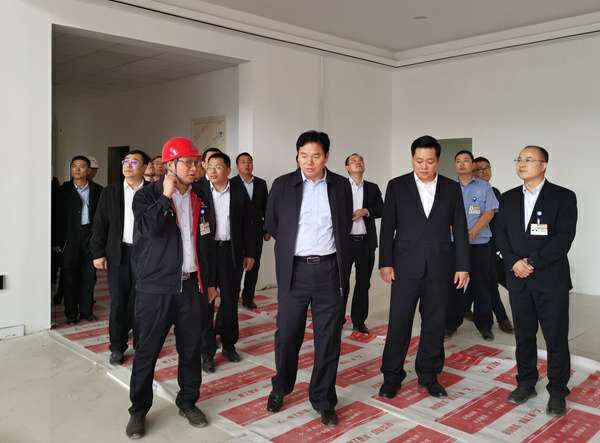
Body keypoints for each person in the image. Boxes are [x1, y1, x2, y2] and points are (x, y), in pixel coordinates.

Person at [126, 137, 217, 438]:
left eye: (196, 162)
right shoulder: (146, 196)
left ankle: (188, 401)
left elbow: (207, 243)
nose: (194, 168)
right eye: (187, 162)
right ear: (169, 165)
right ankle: (138, 410)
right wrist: (165, 197)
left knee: (190, 349)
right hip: (156, 289)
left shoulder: (201, 196)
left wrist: (211, 283)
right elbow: (149, 230)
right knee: (147, 351)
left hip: (191, 287)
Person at [265, 130, 352, 426]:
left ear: (326, 157)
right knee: (288, 335)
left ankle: (323, 398)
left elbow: (343, 225)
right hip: (295, 271)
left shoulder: (340, 185)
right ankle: (281, 387)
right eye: (303, 156)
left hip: (329, 271)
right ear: (297, 156)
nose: (309, 162)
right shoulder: (282, 185)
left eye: (316, 156)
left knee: (328, 339)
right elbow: (272, 224)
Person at [378, 135, 469, 400]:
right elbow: (387, 227)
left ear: (437, 161)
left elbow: (460, 228)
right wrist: (385, 262)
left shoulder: (451, 188)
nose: (424, 166)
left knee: (435, 323)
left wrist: (462, 265)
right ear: (412, 159)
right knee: (399, 323)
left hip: (440, 266)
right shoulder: (397, 186)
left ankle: (429, 375)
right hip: (405, 267)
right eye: (419, 161)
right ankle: (392, 377)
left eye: (429, 161)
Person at [496, 145, 577, 416]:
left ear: (543, 165)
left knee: (555, 337)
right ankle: (526, 383)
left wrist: (531, 262)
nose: (522, 163)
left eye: (529, 159)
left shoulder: (563, 197)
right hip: (518, 279)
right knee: (524, 335)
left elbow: (563, 239)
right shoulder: (508, 198)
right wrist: (513, 262)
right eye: (519, 159)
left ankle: (558, 391)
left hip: (550, 279)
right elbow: (500, 235)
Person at [91, 150, 151, 365]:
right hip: (119, 253)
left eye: (134, 162)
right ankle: (117, 346)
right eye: (125, 161)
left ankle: (142, 345)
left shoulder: (153, 191)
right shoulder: (111, 191)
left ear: (145, 167)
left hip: (146, 255)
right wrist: (98, 253)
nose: (127, 165)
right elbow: (100, 223)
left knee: (141, 302)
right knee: (118, 302)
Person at [201, 152, 255, 368]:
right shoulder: (200, 191)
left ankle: (229, 345)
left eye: (218, 167)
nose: (213, 171)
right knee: (206, 303)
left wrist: (250, 253)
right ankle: (206, 352)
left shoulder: (239, 192)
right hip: (206, 253)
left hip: (230, 252)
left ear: (228, 170)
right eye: (210, 167)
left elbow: (249, 224)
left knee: (230, 302)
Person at [446, 150, 499, 340]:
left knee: (481, 285)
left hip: (480, 243)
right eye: (458, 161)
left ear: (472, 164)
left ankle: (485, 325)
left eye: (466, 160)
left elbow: (489, 212)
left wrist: (473, 232)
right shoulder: (448, 188)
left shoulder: (484, 186)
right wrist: (458, 233)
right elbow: (444, 214)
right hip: (454, 244)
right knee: (454, 285)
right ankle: (451, 323)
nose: (462, 164)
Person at [54, 156, 103, 323]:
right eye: (74, 166)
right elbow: (56, 217)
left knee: (89, 277)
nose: (77, 169)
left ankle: (86, 312)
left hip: (90, 237)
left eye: (81, 166)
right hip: (70, 238)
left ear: (88, 170)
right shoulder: (63, 191)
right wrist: (57, 242)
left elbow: (102, 217)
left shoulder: (98, 190)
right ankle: (71, 314)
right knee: (70, 278)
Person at [469, 156, 513, 333]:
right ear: (472, 173)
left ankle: (460, 311)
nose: (484, 172)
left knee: (483, 282)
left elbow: (501, 221)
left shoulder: (494, 191)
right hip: (474, 245)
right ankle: (502, 318)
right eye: (478, 169)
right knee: (488, 281)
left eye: (487, 167)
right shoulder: (467, 192)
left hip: (492, 245)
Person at [344, 153, 383, 333]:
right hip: (345, 243)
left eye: (360, 160)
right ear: (347, 168)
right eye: (353, 161)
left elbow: (381, 209)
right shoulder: (340, 186)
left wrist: (366, 211)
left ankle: (359, 321)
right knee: (341, 283)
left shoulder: (372, 188)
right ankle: (337, 319)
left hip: (366, 243)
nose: (358, 162)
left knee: (363, 283)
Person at [231, 152, 270, 310]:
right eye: (243, 162)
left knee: (254, 266)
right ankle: (233, 297)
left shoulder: (261, 183)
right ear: (237, 166)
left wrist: (267, 229)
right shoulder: (232, 183)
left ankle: (248, 298)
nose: (247, 164)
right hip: (237, 233)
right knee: (237, 267)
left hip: (256, 232)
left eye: (249, 161)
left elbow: (267, 208)